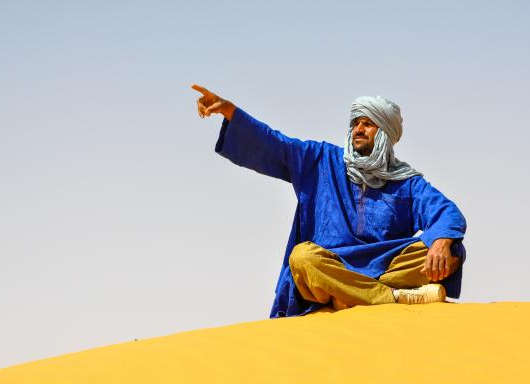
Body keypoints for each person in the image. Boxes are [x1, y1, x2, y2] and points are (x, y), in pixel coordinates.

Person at [191, 84, 467, 318]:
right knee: (302, 258)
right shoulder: (321, 160)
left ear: (385, 134)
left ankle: (350, 294)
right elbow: (277, 145)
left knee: (453, 251)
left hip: (384, 266)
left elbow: (446, 213)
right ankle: (393, 298)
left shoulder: (406, 182)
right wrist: (231, 112)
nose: (358, 129)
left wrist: (441, 242)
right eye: (356, 123)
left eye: (368, 124)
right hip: (332, 265)